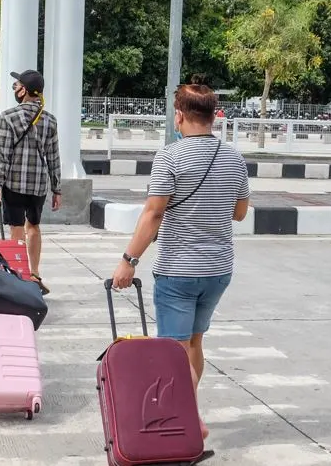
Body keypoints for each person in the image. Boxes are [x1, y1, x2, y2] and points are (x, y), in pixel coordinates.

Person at [110, 81, 250, 441]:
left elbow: (153, 214)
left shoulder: (170, 157)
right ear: (213, 116)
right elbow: (239, 213)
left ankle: (189, 417)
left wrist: (129, 260)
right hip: (218, 270)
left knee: (174, 351)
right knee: (194, 343)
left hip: (178, 271)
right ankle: (188, 410)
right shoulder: (234, 157)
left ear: (180, 115)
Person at [0, 70, 61, 296]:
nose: (15, 90)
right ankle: (35, 273)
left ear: (24, 91)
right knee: (34, 228)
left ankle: (18, 275)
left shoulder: (9, 117)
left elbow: (3, 156)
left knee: (16, 230)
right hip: (38, 185)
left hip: (14, 184)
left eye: (16, 86)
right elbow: (53, 156)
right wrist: (56, 189)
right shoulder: (49, 119)